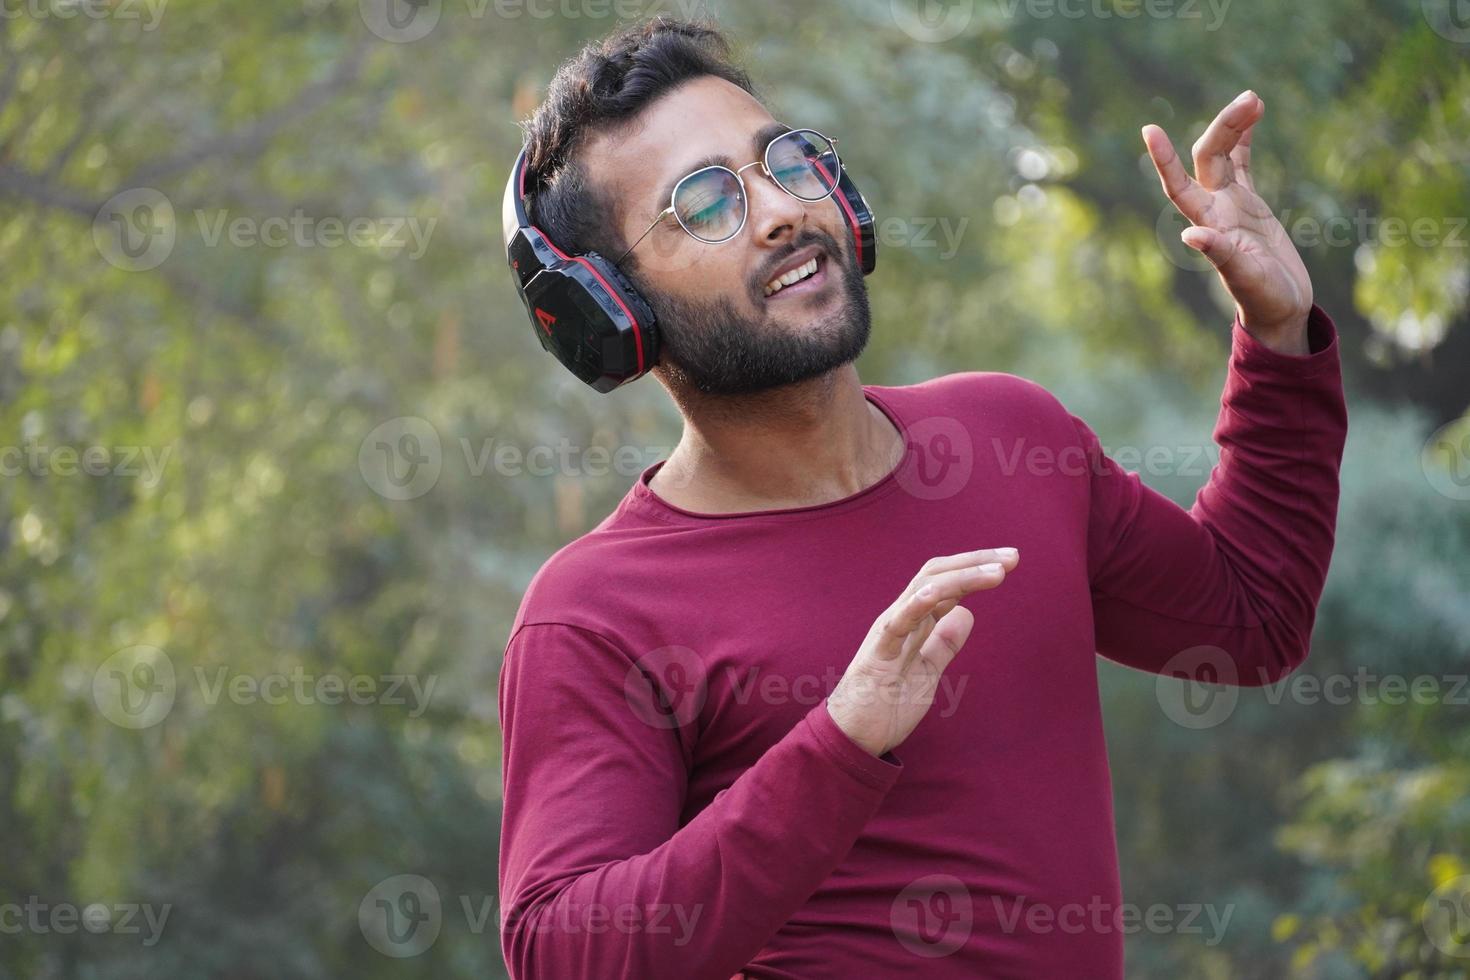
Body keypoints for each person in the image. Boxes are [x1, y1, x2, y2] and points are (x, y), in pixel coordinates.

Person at [497, 17, 1347, 979]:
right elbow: (560, 953)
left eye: (783, 159)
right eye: (704, 203)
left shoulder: (1012, 439)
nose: (781, 209)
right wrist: (842, 738)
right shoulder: (595, 613)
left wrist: (1277, 333)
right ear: (610, 308)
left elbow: (1252, 619)